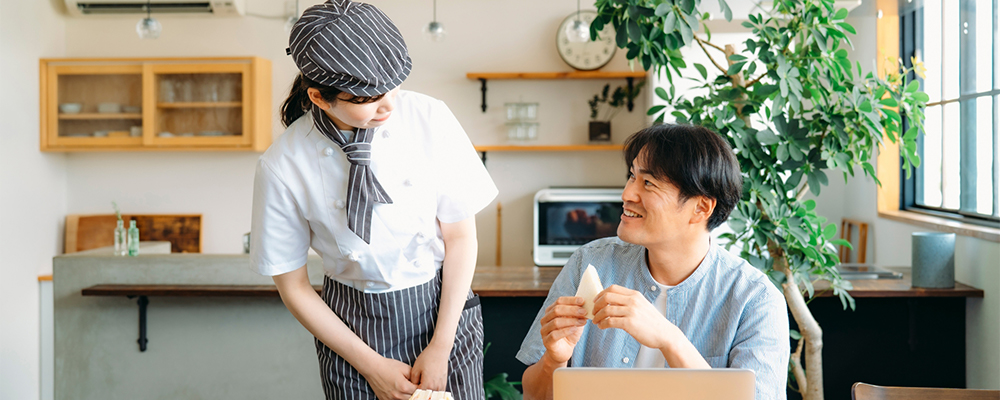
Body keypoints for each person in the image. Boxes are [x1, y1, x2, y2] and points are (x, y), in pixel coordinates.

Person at [249, 1, 497, 399]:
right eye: (366, 98)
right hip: (352, 334)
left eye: (392, 85)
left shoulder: (429, 118)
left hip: (443, 315)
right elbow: (293, 286)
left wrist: (441, 347)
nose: (388, 104)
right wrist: (372, 366)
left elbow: (461, 237)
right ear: (318, 96)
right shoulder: (283, 165)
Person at [516, 124, 789, 400]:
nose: (626, 195)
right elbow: (534, 396)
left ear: (701, 208)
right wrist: (554, 359)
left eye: (648, 183)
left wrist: (670, 339)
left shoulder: (757, 300)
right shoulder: (590, 262)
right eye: (631, 177)